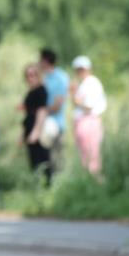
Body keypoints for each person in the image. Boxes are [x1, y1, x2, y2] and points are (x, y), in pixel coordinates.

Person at [70, 55, 107, 175]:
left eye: (82, 69)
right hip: (83, 122)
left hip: (89, 121)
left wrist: (75, 97)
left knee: (91, 155)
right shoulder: (84, 84)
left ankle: (94, 179)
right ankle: (87, 180)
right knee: (84, 155)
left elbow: (88, 106)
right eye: (78, 69)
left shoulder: (92, 83)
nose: (80, 72)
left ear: (88, 69)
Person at [38, 48, 69, 177]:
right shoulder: (44, 78)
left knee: (57, 160)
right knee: (46, 161)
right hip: (44, 124)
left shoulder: (60, 78)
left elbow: (58, 104)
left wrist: (42, 110)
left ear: (46, 61)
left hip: (56, 124)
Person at [21, 64, 51, 184]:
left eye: (33, 75)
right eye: (28, 75)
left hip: (39, 131)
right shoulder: (30, 92)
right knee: (34, 162)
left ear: (38, 76)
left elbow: (42, 111)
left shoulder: (41, 90)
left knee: (43, 160)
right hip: (29, 129)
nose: (30, 78)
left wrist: (36, 131)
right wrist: (23, 133)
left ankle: (48, 187)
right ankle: (38, 187)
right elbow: (27, 114)